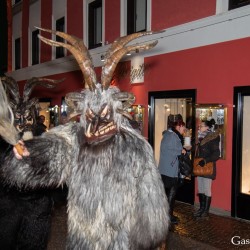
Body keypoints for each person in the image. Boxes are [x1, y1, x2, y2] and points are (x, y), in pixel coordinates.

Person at [158, 120, 188, 224]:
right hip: (170, 170)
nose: (184, 129)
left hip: (168, 169)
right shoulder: (172, 136)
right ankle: (168, 216)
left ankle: (165, 215)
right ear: (179, 126)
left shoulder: (171, 135)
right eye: (183, 127)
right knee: (171, 194)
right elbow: (167, 150)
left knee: (168, 194)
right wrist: (181, 151)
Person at [193, 119, 220, 218]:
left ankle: (205, 212)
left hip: (207, 166)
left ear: (208, 127)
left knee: (207, 189)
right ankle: (201, 208)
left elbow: (217, 154)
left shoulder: (213, 137)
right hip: (199, 167)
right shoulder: (199, 138)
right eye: (199, 126)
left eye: (202, 126)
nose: (199, 127)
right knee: (200, 188)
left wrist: (205, 160)